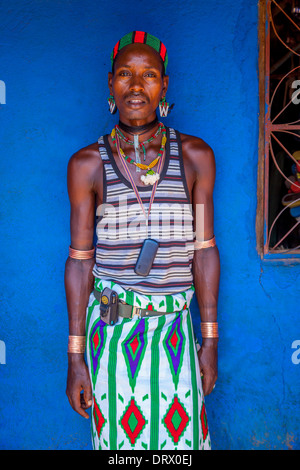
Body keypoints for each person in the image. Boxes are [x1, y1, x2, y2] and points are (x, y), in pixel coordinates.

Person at [65, 31, 220, 451]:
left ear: (164, 86)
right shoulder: (87, 165)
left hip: (175, 338)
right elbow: (80, 262)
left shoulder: (194, 157)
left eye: (149, 75)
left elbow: (204, 250)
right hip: (112, 339)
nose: (136, 86)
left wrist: (210, 342)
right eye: (125, 75)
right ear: (110, 84)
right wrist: (75, 357)